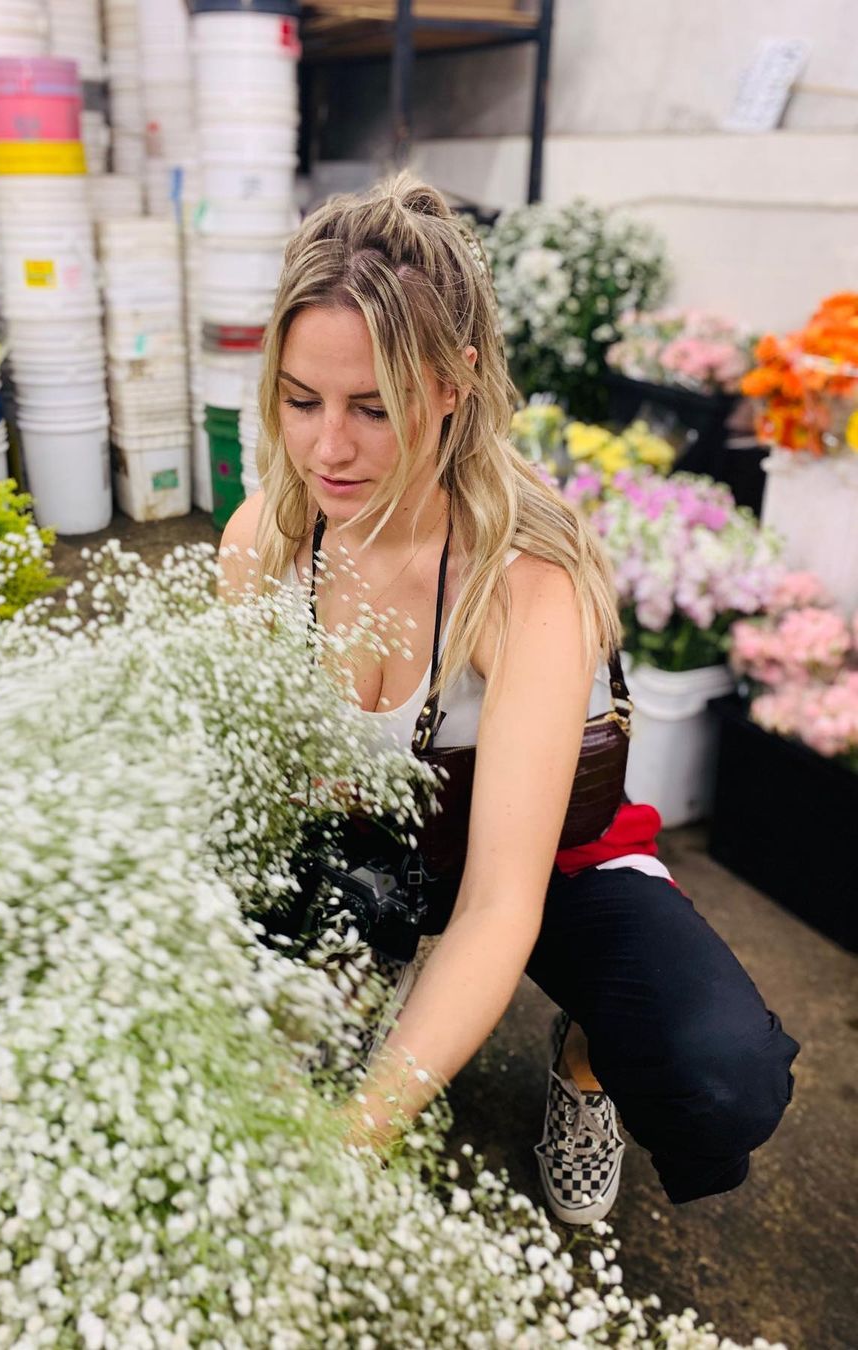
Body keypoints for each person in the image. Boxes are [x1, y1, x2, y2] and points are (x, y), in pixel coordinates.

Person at [216, 171, 798, 1225]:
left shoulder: (525, 581)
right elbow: (255, 794)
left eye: (374, 407)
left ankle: (586, 1059)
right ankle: (382, 972)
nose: (329, 447)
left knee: (718, 1074)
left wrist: (353, 1140)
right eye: (302, 401)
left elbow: (498, 902)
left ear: (454, 384)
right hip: (374, 849)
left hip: (544, 863)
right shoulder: (267, 542)